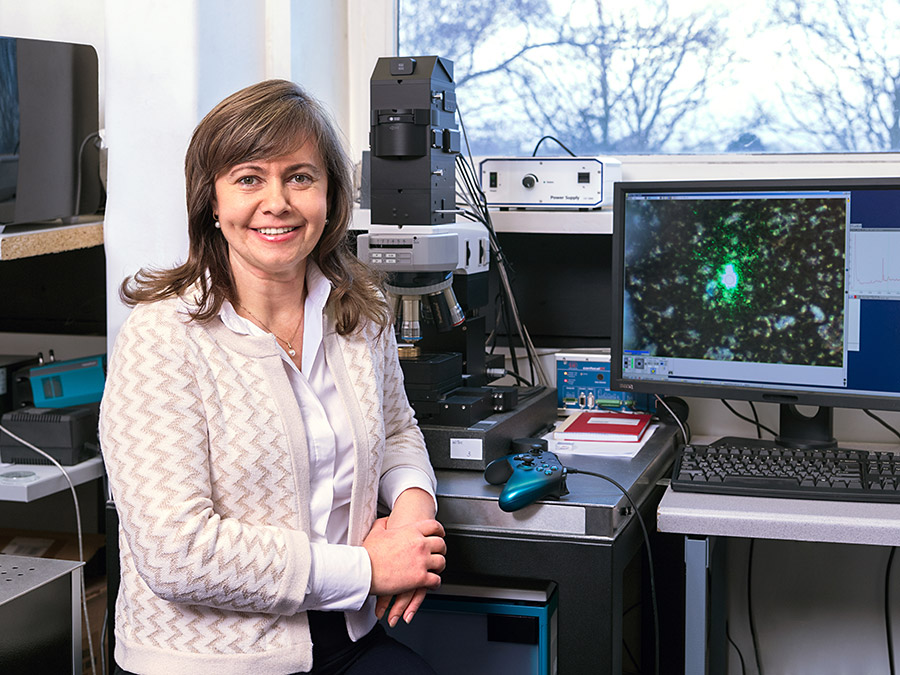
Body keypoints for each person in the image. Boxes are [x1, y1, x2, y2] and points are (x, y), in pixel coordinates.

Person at [99, 79, 446, 675]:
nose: (277, 201)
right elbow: (176, 551)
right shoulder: (163, 337)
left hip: (346, 632)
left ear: (331, 197)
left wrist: (413, 512)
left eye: (301, 177)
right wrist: (369, 569)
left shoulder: (361, 313)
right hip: (209, 658)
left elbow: (396, 430)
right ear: (212, 199)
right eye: (249, 178)